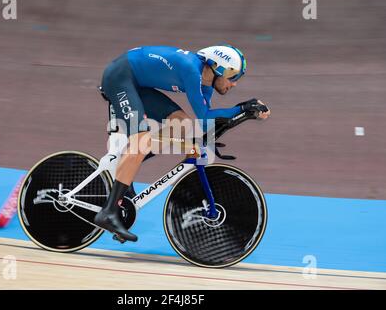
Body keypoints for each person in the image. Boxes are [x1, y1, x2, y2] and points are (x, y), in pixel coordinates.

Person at [94, 44, 271, 242]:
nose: (234, 83)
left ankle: (126, 166)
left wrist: (245, 114)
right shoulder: (191, 70)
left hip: (136, 84)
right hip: (120, 78)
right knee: (141, 141)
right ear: (219, 68)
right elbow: (205, 116)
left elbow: (205, 123)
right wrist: (242, 108)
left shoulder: (206, 84)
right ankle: (108, 213)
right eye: (233, 77)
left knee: (183, 124)